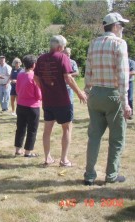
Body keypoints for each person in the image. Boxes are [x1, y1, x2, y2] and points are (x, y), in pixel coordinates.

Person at [84, 12, 131, 185]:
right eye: (122, 26)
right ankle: (111, 175)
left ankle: (89, 175)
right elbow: (123, 75)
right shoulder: (120, 43)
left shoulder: (93, 43)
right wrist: (125, 102)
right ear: (116, 26)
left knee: (94, 137)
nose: (123, 29)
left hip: (95, 93)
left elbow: (88, 70)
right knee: (117, 138)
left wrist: (88, 90)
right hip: (113, 94)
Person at [34, 35, 87, 167]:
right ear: (59, 47)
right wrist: (80, 93)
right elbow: (68, 78)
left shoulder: (40, 58)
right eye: (63, 46)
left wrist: (44, 89)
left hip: (48, 101)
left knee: (47, 130)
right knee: (67, 129)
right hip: (62, 100)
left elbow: (35, 78)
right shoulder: (62, 57)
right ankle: (64, 160)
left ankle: (47, 158)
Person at [14, 55, 42, 157]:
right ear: (34, 65)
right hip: (32, 106)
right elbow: (38, 94)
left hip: (20, 105)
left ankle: (18, 149)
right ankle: (28, 152)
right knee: (32, 129)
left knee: (20, 128)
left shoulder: (20, 75)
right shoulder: (34, 76)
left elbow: (17, 90)